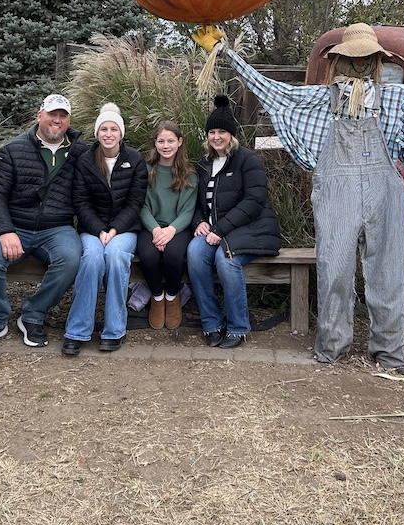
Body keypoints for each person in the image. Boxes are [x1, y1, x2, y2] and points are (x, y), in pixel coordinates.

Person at [192, 23, 404, 370]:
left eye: (366, 59)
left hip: (384, 192)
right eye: (353, 59)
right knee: (334, 270)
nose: (360, 66)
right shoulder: (321, 99)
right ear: (340, 62)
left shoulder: (398, 97)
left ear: (377, 60)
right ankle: (333, 345)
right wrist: (225, 52)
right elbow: (272, 90)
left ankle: (390, 351)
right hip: (335, 192)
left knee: (388, 273)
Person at [0, 94, 88, 350]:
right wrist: (5, 230)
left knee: (70, 259)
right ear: (39, 116)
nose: (57, 120)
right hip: (15, 225)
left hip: (57, 229)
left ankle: (33, 315)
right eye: (52, 114)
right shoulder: (12, 150)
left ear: (68, 121)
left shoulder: (81, 153)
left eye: (62, 116)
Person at [187, 95, 281, 349]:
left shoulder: (246, 160)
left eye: (222, 132)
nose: (216, 137)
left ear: (231, 134)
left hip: (251, 229)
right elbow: (195, 202)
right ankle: (212, 323)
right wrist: (198, 222)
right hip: (216, 233)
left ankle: (239, 327)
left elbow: (254, 200)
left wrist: (219, 229)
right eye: (212, 132)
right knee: (195, 252)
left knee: (225, 260)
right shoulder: (203, 164)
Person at [62, 102, 148, 355]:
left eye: (113, 129)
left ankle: (114, 330)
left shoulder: (135, 160)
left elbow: (135, 202)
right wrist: (99, 229)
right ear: (97, 133)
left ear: (121, 133)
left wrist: (114, 230)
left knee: (116, 257)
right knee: (91, 259)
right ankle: (77, 331)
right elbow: (80, 201)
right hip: (92, 228)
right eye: (103, 129)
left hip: (125, 229)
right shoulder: (86, 161)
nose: (108, 134)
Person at [137, 121, 198, 331]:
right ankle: (157, 296)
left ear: (179, 142)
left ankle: (172, 296)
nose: (166, 145)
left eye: (171, 141)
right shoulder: (146, 171)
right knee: (148, 255)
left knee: (173, 254)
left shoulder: (190, 174)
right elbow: (141, 206)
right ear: (155, 143)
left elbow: (188, 211)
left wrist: (170, 231)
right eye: (161, 141)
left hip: (178, 228)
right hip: (151, 227)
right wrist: (156, 230)